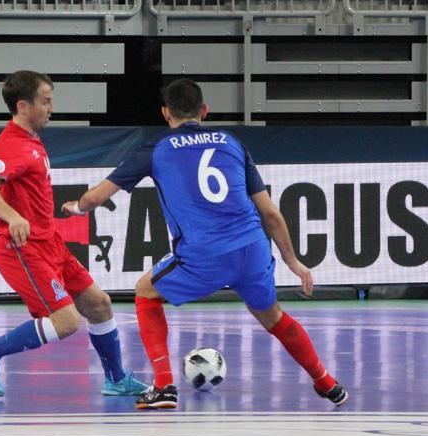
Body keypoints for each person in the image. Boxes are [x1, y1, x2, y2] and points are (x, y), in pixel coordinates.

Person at [62, 78, 349, 410]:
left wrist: (77, 207)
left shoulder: (157, 149)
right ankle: (327, 383)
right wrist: (293, 262)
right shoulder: (232, 143)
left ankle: (164, 386)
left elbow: (96, 197)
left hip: (205, 253)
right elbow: (270, 212)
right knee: (274, 317)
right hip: (252, 248)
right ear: (204, 110)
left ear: (165, 113)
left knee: (145, 291)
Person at [0, 70, 148, 398]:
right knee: (66, 321)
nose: (52, 108)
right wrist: (12, 217)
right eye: (46, 101)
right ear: (23, 106)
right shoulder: (11, 144)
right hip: (23, 248)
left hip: (50, 243)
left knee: (99, 305)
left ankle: (117, 379)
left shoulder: (30, 139)